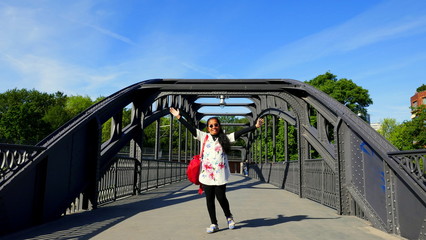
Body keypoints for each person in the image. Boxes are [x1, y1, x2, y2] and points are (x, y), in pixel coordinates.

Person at [169, 107, 264, 233]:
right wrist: (178, 117)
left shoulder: (226, 138)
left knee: (221, 197)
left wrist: (255, 126)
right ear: (208, 128)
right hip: (206, 175)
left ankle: (229, 217)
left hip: (220, 175)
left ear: (219, 126)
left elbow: (241, 132)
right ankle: (214, 223)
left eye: (216, 125)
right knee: (209, 200)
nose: (214, 127)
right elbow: (191, 129)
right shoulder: (204, 137)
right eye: (211, 125)